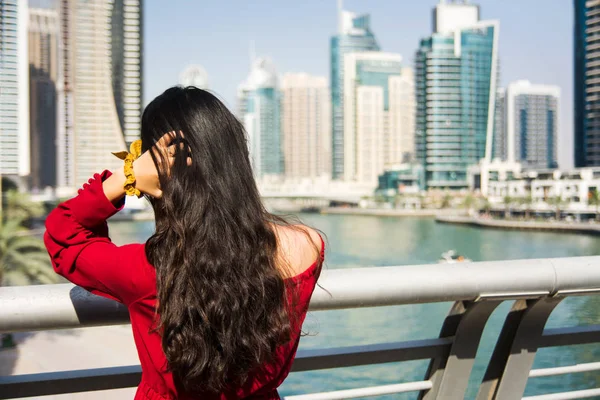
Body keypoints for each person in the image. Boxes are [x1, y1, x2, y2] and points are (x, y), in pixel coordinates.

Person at [44, 86, 324, 400]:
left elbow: (64, 232)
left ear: (157, 167)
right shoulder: (306, 246)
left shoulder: (146, 270)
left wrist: (127, 176)